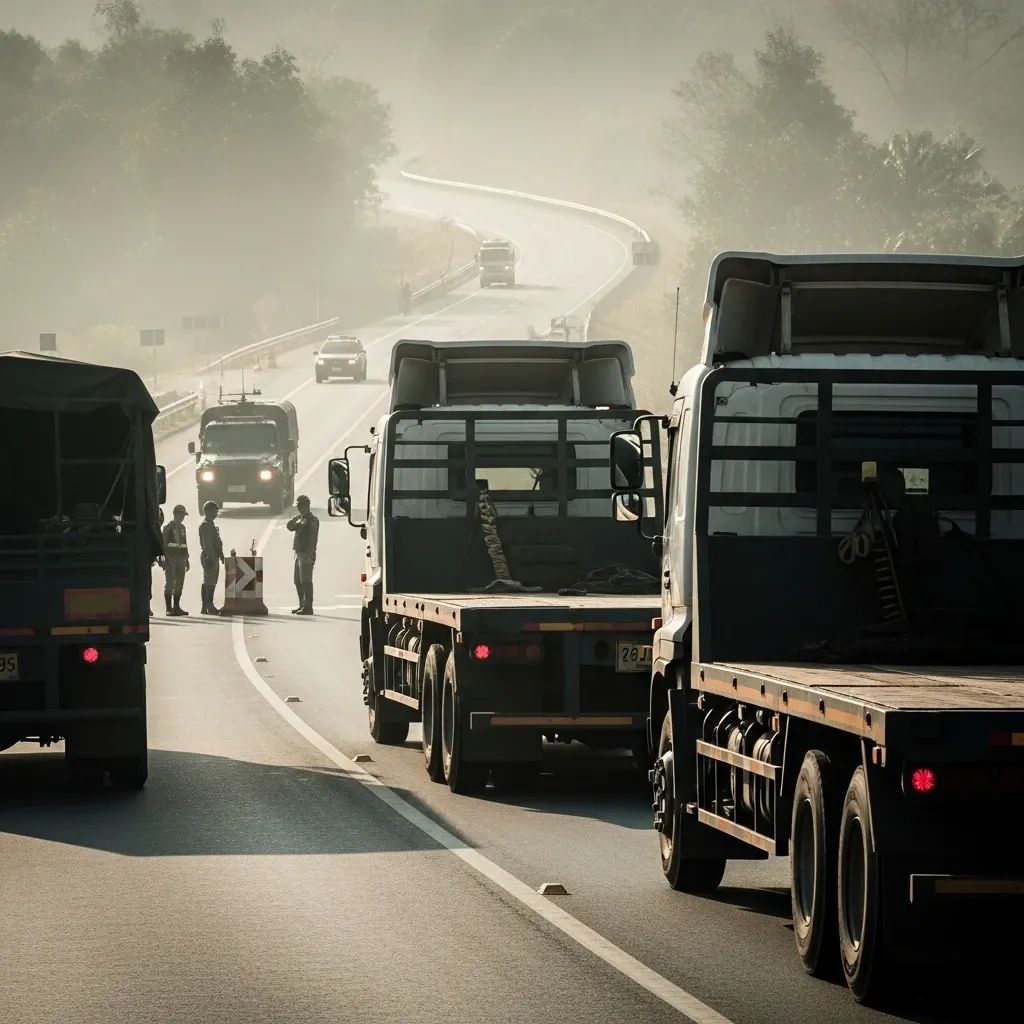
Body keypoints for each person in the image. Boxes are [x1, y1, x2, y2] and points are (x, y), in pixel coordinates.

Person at [286, 494, 319, 615]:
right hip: (298, 552)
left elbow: (313, 539)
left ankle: (308, 606)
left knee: (306, 580)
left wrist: (310, 554)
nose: (300, 508)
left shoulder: (312, 520)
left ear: (307, 506)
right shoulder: (299, 518)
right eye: (298, 506)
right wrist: (297, 520)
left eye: (302, 506)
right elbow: (289, 527)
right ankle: (302, 604)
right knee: (297, 580)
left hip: (306, 553)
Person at [161, 504, 190, 616]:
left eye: (183, 515)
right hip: (171, 558)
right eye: (180, 514)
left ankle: (177, 607)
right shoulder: (168, 528)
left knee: (179, 583)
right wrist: (164, 558)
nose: (182, 517)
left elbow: (184, 544)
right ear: (175, 514)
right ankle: (169, 608)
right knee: (170, 583)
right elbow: (163, 544)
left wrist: (187, 559)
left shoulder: (183, 528)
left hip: (181, 558)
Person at [198, 500, 225, 615]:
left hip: (213, 555)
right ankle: (209, 606)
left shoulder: (211, 525)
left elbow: (217, 542)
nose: (216, 513)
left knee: (209, 581)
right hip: (209, 555)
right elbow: (207, 543)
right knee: (210, 581)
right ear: (207, 511)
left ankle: (206, 606)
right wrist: (210, 556)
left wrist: (221, 554)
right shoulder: (205, 525)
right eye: (214, 511)